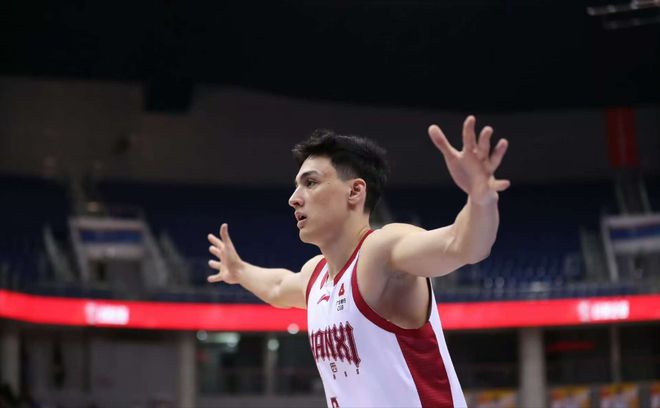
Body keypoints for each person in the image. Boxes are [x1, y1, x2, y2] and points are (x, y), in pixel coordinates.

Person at [207, 116, 510, 408]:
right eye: (297, 186)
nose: (294, 198)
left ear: (354, 191)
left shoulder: (381, 251)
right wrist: (240, 270)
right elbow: (277, 286)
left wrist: (480, 198)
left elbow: (462, 245)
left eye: (310, 183)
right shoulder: (316, 276)